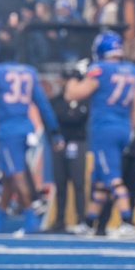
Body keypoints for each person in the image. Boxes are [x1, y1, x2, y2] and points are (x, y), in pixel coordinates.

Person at [63, 30, 135, 239]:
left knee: (113, 178)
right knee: (100, 180)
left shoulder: (100, 69)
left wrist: (74, 75)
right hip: (124, 127)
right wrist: (131, 129)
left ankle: (127, 221)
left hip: (104, 128)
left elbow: (73, 94)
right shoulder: (133, 70)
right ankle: (89, 223)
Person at [0, 45, 63, 235]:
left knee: (17, 175)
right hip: (26, 129)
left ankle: (30, 216)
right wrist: (54, 130)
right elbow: (42, 104)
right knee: (10, 175)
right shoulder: (28, 72)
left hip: (8, 130)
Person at [49, 68, 90, 233]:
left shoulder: (85, 100)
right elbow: (57, 118)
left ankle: (81, 219)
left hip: (77, 143)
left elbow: (77, 118)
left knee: (79, 182)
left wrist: (68, 115)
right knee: (60, 183)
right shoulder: (56, 100)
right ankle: (60, 220)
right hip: (60, 143)